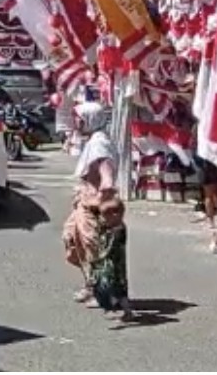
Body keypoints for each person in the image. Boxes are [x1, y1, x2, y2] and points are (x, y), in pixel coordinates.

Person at [62, 102, 120, 304]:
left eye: (80, 117)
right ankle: (91, 284)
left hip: (95, 204)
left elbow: (106, 171)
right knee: (72, 239)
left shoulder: (99, 143)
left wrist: (105, 195)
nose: (76, 122)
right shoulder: (93, 140)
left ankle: (102, 290)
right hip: (84, 202)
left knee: (94, 247)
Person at [89, 197, 132, 320]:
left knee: (105, 287)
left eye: (104, 216)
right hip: (115, 266)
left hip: (111, 265)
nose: (102, 219)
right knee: (118, 290)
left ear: (115, 215)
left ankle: (110, 309)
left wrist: (97, 258)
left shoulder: (117, 230)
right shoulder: (113, 226)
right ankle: (125, 311)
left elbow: (109, 249)